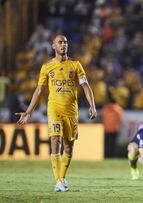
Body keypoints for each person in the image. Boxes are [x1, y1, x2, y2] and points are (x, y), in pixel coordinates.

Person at [16, 35, 97, 192]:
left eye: (65, 42)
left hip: (71, 111)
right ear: (53, 46)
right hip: (54, 109)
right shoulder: (47, 67)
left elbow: (85, 86)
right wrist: (28, 112)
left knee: (69, 147)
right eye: (60, 42)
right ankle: (58, 181)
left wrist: (92, 105)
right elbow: (39, 90)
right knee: (55, 141)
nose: (63, 44)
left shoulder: (75, 65)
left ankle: (62, 177)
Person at [101, 94, 124, 158]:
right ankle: (113, 156)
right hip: (115, 129)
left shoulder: (105, 108)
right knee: (113, 144)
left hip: (106, 129)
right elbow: (120, 119)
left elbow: (102, 118)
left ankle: (106, 156)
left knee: (107, 144)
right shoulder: (118, 108)